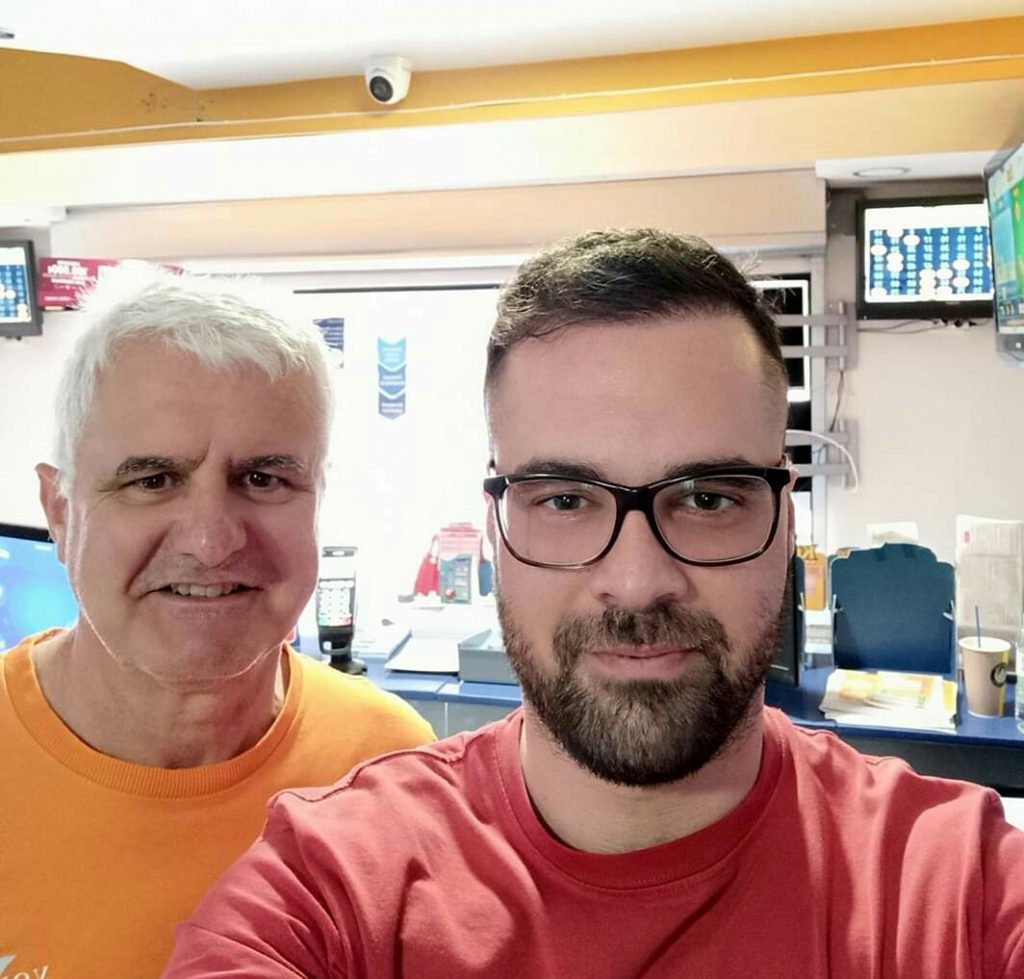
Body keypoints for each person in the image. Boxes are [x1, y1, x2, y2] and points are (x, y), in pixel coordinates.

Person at [163, 230, 1024, 978]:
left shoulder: (960, 886)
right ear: (498, 528)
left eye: (709, 498)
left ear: (785, 521)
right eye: (567, 499)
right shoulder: (331, 890)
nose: (639, 579)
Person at [0, 268, 435, 978]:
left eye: (263, 479)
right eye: (152, 480)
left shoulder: (391, 770)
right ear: (59, 508)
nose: (210, 541)